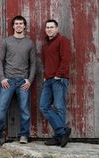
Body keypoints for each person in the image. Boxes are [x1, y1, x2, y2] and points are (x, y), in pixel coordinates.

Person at [0, 15, 36, 145]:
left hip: (23, 82)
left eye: (21, 23)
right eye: (16, 24)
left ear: (24, 26)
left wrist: (29, 80)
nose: (18, 25)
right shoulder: (6, 41)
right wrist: (2, 78)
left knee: (25, 110)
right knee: (2, 109)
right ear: (13, 26)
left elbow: (33, 64)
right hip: (8, 81)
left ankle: (24, 135)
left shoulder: (29, 43)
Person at [39, 19, 71, 147]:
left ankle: (58, 137)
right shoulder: (46, 45)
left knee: (59, 107)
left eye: (52, 27)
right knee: (43, 106)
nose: (49, 29)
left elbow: (66, 58)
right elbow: (46, 62)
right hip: (48, 80)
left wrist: (58, 74)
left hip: (59, 79)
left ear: (57, 29)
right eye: (47, 27)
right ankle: (62, 131)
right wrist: (46, 76)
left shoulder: (63, 40)